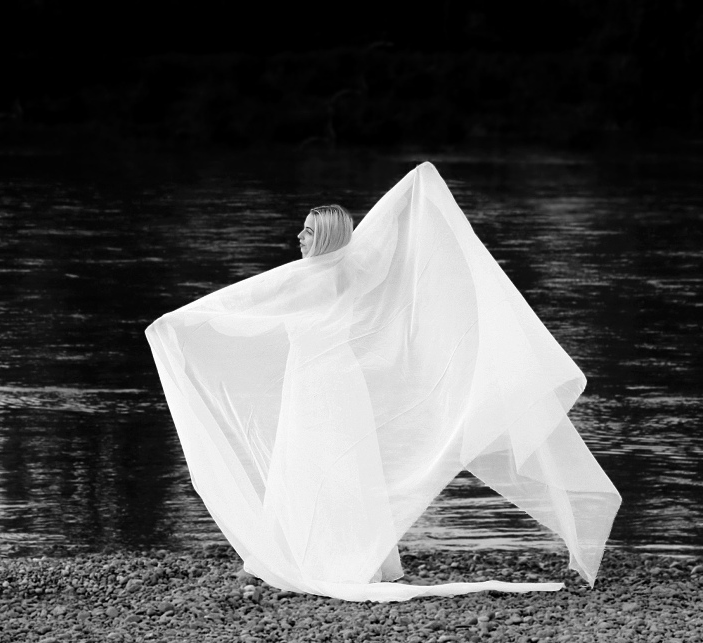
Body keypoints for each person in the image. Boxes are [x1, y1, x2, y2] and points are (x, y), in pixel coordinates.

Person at [145, 162, 621, 602]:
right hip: (339, 382)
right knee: (343, 470)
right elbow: (386, 237)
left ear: (324, 237)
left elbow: (243, 309)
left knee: (309, 466)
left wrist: (178, 325)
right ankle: (357, 559)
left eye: (308, 231)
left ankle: (311, 560)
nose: (298, 236)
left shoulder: (309, 278)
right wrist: (416, 186)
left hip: (318, 382)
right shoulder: (354, 271)